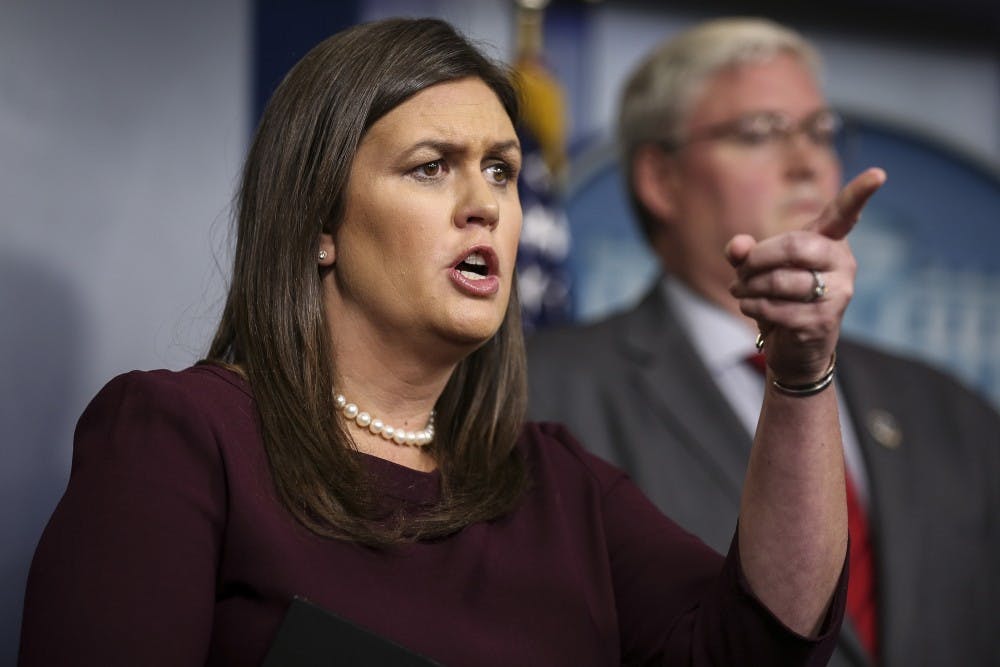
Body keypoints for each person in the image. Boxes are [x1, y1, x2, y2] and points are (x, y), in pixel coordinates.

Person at [19, 17, 882, 666]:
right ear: (320, 222)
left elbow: (763, 642)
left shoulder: (560, 486)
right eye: (432, 166)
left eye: (501, 170)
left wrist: (799, 372)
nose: (485, 206)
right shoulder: (180, 436)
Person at [526, 17, 999, 667]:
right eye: (760, 132)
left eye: (821, 132)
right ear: (660, 178)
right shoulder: (542, 395)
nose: (809, 164)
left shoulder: (951, 413)